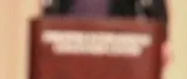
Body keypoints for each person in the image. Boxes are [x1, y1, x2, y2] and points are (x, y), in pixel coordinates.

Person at [41, 0, 171, 65]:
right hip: (66, 46)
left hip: (119, 48)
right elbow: (50, 7)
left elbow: (153, 5)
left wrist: (161, 39)